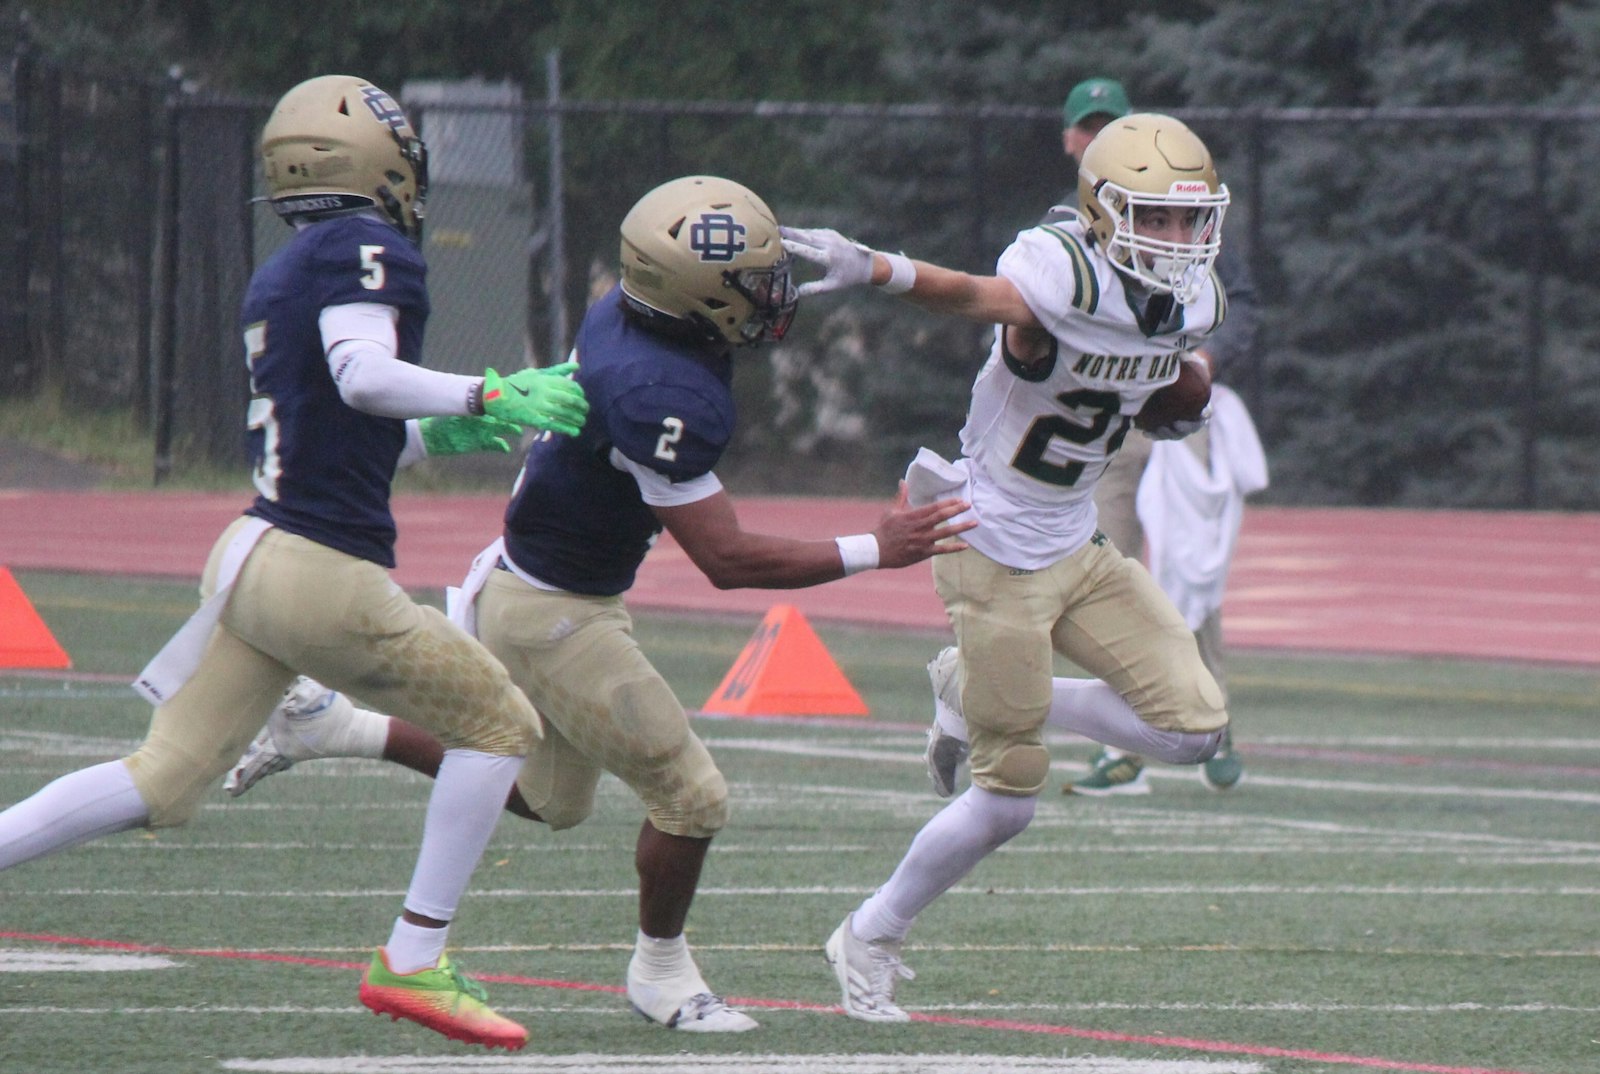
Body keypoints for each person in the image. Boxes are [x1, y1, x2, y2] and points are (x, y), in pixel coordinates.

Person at [221, 175, 976, 1033]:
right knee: (694, 796)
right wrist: (879, 548)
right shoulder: (664, 394)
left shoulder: (631, 311)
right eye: (753, 282)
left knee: (551, 800)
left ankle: (334, 727)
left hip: (526, 580)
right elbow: (725, 558)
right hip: (555, 613)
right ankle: (662, 974)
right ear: (693, 298)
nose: (772, 296)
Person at [0, 75, 593, 1051]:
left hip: (253, 552)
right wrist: (485, 396)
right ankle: (414, 960)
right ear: (379, 164)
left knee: (163, 779)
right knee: (501, 724)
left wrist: (446, 435)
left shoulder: (285, 268)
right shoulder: (370, 249)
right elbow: (363, 379)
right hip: (320, 569)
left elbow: (341, 419)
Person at [780, 111, 1232, 1022]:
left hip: (1078, 544)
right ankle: (868, 933)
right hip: (990, 547)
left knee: (1194, 728)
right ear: (1103, 211)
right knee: (1010, 800)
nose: (1179, 239)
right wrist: (874, 267)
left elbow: (1174, 371)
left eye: (1191, 220)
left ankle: (969, 687)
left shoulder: (1188, 299)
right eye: (1158, 217)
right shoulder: (1060, 271)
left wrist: (1186, 388)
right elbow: (972, 296)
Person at [1057, 77, 1264, 797]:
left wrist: (1202, 364)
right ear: (1071, 140)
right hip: (1101, 426)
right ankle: (1126, 739)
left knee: (1189, 569)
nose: (1101, 137)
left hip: (1174, 417)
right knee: (1094, 574)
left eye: (1114, 125)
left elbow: (1238, 305)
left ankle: (1211, 710)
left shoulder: (1182, 211)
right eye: (1090, 127)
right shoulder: (1057, 232)